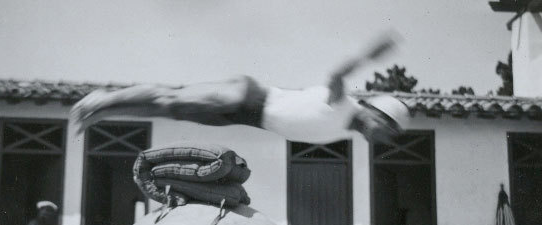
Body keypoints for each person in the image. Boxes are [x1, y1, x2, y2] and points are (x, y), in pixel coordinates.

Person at [70, 34, 410, 145]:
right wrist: (369, 54)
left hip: (244, 118)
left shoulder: (342, 133)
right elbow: (337, 73)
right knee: (170, 96)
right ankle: (102, 98)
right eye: (388, 132)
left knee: (168, 110)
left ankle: (100, 112)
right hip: (247, 97)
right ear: (378, 114)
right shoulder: (344, 104)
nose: (383, 141)